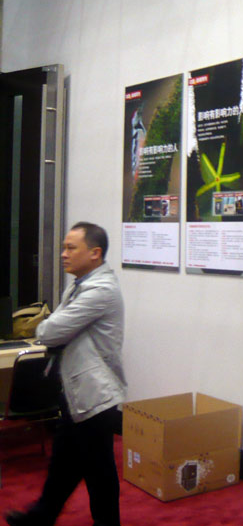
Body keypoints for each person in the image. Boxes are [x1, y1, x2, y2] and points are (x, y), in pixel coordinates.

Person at [6, 222, 126, 526]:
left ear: (95, 253)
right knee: (64, 462)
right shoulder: (79, 284)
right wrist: (50, 326)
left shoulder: (100, 290)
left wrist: (47, 326)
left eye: (71, 248)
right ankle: (41, 516)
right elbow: (54, 326)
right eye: (63, 247)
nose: (63, 254)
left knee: (99, 471)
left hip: (94, 395)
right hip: (75, 390)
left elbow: (49, 331)